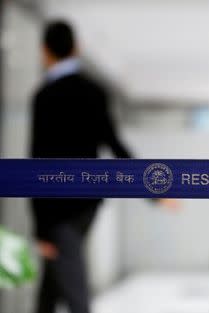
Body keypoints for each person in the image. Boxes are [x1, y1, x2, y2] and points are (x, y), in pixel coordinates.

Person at [30, 20, 131, 313]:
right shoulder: (94, 92)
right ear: (76, 48)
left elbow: (37, 162)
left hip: (57, 206)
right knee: (53, 278)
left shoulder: (44, 97)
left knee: (72, 285)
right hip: (87, 202)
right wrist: (152, 187)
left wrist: (40, 226)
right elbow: (114, 144)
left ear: (45, 51)